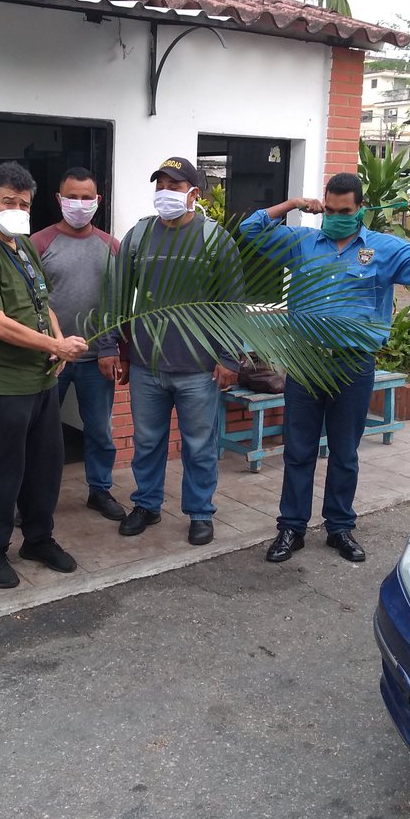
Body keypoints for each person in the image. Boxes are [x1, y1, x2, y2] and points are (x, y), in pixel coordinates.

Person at [238, 172, 410, 564]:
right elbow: (251, 229)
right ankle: (292, 527)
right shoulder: (303, 243)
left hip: (353, 366)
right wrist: (292, 205)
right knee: (299, 451)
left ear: (360, 209)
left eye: (345, 211)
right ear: (323, 204)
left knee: (344, 452)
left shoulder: (383, 249)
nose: (336, 216)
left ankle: (340, 527)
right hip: (306, 364)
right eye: (331, 209)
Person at [0, 161, 87, 590]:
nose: (15, 209)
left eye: (23, 203)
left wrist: (59, 339)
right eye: (8, 201)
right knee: (2, 470)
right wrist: (53, 346)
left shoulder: (22, 244)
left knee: (46, 466)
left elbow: (41, 300)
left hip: (39, 379)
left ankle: (38, 539)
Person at [98, 155, 242, 546]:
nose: (164, 193)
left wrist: (229, 357)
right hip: (147, 365)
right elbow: (116, 293)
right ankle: (146, 505)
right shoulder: (139, 237)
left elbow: (231, 303)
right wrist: (110, 345)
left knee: (199, 445)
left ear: (194, 193)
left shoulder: (215, 239)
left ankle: (199, 513)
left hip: (198, 368)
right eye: (159, 185)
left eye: (174, 186)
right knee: (147, 441)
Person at [30, 167, 126, 522]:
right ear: (59, 199)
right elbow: (30, 303)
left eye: (87, 198)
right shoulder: (38, 244)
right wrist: (49, 345)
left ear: (98, 201)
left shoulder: (111, 246)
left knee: (100, 429)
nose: (80, 204)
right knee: (41, 432)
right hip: (51, 357)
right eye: (72, 197)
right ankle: (37, 498)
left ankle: (99, 491)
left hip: (96, 358)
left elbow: (118, 302)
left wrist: (110, 349)